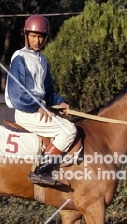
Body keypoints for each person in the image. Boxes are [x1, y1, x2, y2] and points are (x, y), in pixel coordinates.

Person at [5, 14, 77, 186]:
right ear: (26, 36)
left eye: (40, 37)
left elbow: (48, 91)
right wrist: (36, 107)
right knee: (69, 130)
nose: (37, 40)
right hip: (26, 111)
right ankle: (42, 171)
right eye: (33, 36)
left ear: (45, 39)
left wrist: (60, 102)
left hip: (39, 109)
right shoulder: (19, 57)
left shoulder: (43, 60)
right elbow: (16, 93)